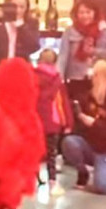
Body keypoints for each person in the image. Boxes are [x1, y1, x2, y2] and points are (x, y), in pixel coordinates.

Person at [61, 60, 106, 194]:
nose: (92, 78)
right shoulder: (88, 97)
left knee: (105, 188)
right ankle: (83, 170)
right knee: (70, 142)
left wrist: (94, 124)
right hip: (92, 145)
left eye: (96, 75)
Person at [58, 0, 106, 104]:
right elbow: (63, 56)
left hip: (99, 79)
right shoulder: (70, 32)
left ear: (94, 13)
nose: (85, 16)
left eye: (88, 12)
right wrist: (59, 78)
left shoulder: (105, 30)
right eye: (81, 12)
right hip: (75, 80)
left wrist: (95, 51)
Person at [34, 49, 73, 193]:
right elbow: (63, 103)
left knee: (33, 153)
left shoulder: (31, 77)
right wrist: (68, 123)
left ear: (39, 60)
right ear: (55, 62)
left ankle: (34, 178)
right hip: (52, 122)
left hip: (35, 121)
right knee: (51, 154)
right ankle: (52, 183)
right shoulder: (57, 81)